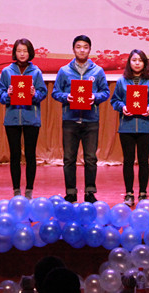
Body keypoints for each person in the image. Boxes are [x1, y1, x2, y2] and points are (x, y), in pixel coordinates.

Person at [52, 35, 110, 203]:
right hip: (70, 120)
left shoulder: (98, 71)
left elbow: (105, 92)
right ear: (73, 49)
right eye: (78, 47)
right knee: (69, 158)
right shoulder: (64, 71)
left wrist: (94, 97)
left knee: (91, 158)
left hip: (91, 120)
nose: (82, 50)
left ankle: (90, 192)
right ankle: (71, 192)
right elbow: (55, 92)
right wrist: (66, 97)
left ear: (90, 50)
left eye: (85, 47)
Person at [0, 38, 48, 199]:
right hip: (12, 119)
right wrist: (8, 94)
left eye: (25, 51)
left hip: (31, 118)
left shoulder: (36, 72)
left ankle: (29, 190)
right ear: (15, 52)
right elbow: (0, 96)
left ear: (30, 53)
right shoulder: (7, 71)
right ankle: (16, 190)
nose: (22, 54)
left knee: (30, 154)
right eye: (19, 51)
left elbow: (43, 93)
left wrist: (35, 94)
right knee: (14, 155)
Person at [110, 49, 149, 206]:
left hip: (145, 126)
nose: (137, 63)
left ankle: (143, 193)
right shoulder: (122, 81)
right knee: (128, 161)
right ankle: (129, 193)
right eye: (134, 60)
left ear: (145, 63)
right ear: (129, 63)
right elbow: (114, 100)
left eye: (140, 60)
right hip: (127, 126)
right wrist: (122, 107)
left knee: (144, 161)